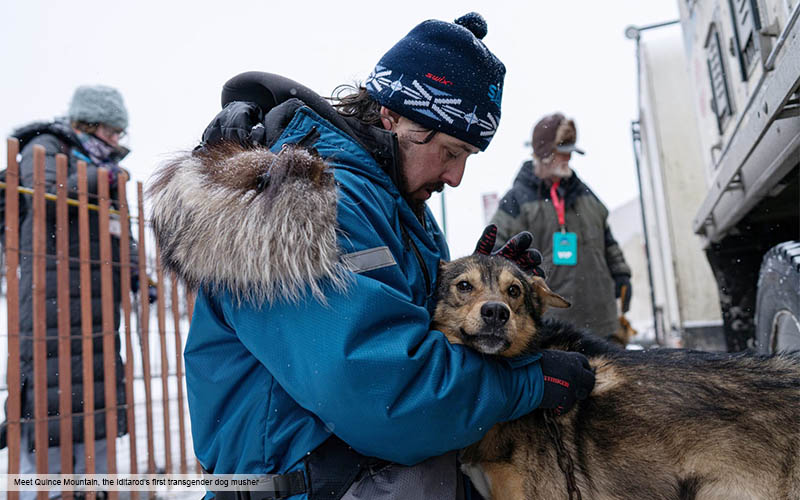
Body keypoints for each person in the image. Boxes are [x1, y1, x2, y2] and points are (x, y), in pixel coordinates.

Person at [149, 13, 595, 500]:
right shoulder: (301, 204)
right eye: (450, 151)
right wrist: (529, 381)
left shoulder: (401, 212)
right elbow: (387, 396)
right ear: (393, 117)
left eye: (467, 156)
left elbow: (407, 333)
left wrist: (483, 289)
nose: (456, 178)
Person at [0, 85, 150, 492]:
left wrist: (138, 274)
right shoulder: (46, 146)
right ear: (89, 123)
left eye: (121, 133)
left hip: (97, 300)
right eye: (112, 131)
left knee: (97, 392)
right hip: (51, 296)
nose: (118, 141)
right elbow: (50, 194)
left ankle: (93, 483)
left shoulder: (102, 171)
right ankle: (41, 485)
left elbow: (122, 233)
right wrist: (105, 180)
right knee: (50, 394)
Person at [490, 112, 633, 341]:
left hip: (602, 318)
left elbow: (608, 240)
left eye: (570, 152)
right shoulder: (517, 200)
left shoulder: (586, 194)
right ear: (543, 154)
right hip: (552, 324)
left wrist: (622, 275)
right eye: (562, 152)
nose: (568, 158)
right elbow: (495, 254)